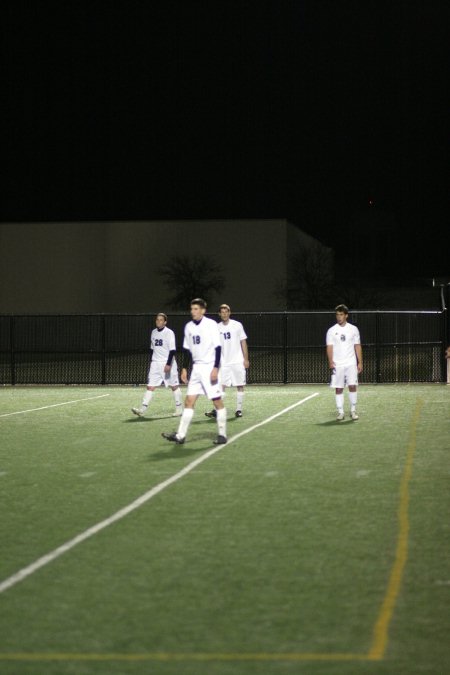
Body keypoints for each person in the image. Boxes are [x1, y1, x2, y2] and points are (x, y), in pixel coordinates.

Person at [162, 298, 227, 445]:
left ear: (203, 310)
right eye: (192, 309)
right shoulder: (189, 327)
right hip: (197, 369)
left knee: (217, 401)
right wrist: (185, 368)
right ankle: (181, 435)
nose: (193, 312)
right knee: (189, 401)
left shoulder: (210, 325)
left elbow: (218, 347)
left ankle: (222, 435)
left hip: (210, 366)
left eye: (196, 309)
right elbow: (187, 350)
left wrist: (216, 368)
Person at [131, 313, 183, 417]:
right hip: (155, 363)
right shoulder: (153, 332)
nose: (158, 321)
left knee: (174, 386)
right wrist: (152, 362)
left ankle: (179, 409)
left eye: (161, 320)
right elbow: (153, 349)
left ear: (165, 322)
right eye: (157, 320)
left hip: (168, 363)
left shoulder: (169, 333)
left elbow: (172, 350)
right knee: (150, 386)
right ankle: (142, 409)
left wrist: (168, 364)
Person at [205, 303, 249, 419]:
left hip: (237, 361)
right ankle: (216, 410)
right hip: (223, 362)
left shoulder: (237, 325)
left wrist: (246, 359)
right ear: (219, 314)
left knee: (240, 385)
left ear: (229, 313)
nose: (224, 314)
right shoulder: (216, 327)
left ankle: (238, 410)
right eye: (222, 312)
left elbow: (243, 342)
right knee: (221, 386)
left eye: (226, 311)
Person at [326, 304, 363, 420]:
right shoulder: (331, 331)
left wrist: (360, 362)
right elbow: (329, 347)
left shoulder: (353, 329)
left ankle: (353, 410)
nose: (339, 317)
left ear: (346, 315)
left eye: (341, 315)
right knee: (339, 388)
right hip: (338, 364)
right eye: (337, 315)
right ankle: (341, 412)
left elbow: (357, 346)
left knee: (352, 386)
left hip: (351, 363)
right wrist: (330, 361)